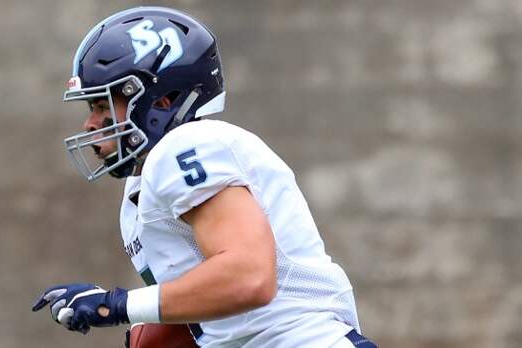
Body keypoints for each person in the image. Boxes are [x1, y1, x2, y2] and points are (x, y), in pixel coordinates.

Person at [32, 6, 377, 348]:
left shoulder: (185, 146)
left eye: (103, 105)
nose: (90, 124)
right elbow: (198, 315)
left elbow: (249, 277)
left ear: (161, 101)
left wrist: (116, 306)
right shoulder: (141, 188)